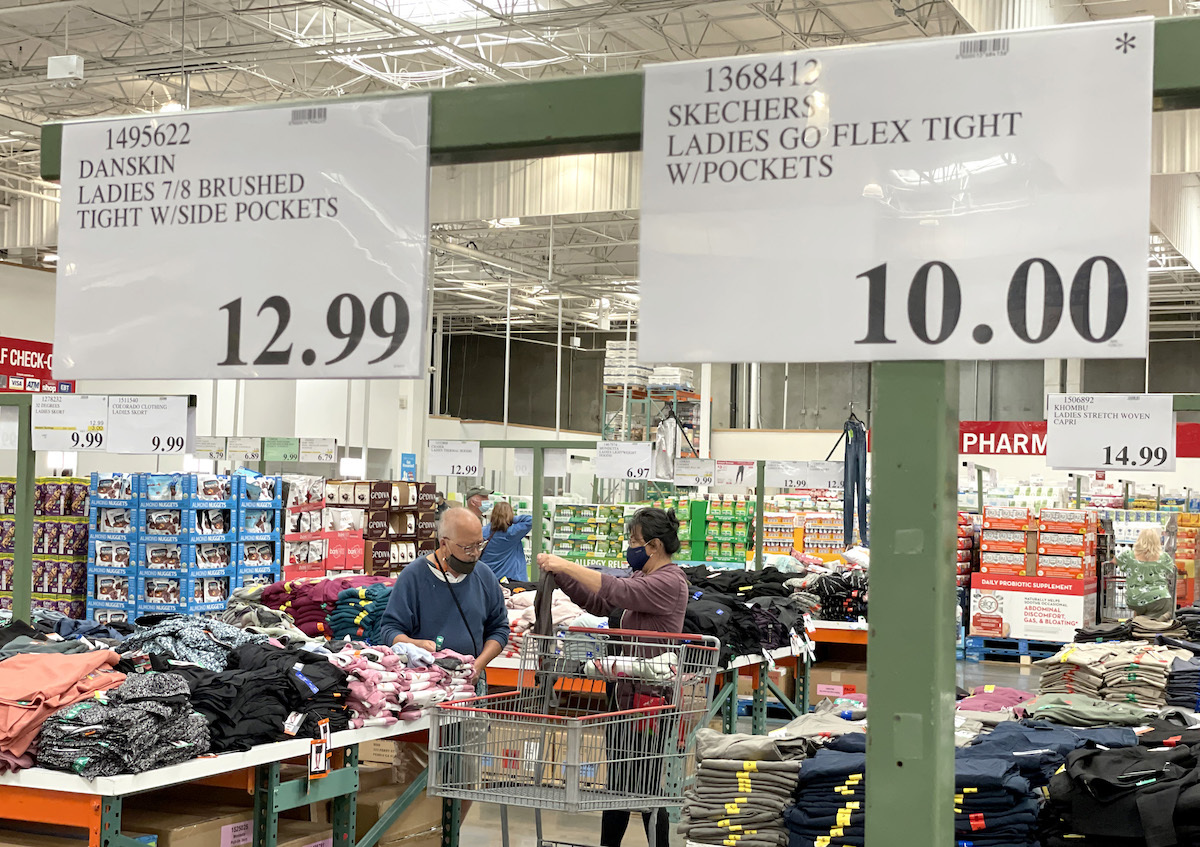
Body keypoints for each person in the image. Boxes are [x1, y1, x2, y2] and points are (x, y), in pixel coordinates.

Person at [537, 507, 689, 847]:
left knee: (645, 787)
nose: (629, 547)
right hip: (626, 695)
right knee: (621, 783)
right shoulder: (641, 577)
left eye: (634, 541)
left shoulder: (669, 581)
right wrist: (560, 578)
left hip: (651, 700)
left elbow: (617, 591)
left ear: (654, 545)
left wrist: (565, 564)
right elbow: (600, 600)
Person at [379, 507, 508, 677]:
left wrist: (479, 664)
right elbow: (390, 629)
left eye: (479, 545)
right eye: (467, 548)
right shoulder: (414, 577)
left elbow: (499, 628)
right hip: (425, 682)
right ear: (444, 544)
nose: (475, 554)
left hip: (470, 682)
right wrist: (415, 644)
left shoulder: (484, 576)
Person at [1117, 527, 1176, 621]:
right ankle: (1153, 631)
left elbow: (1116, 562)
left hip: (1135, 598)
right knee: (1155, 623)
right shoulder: (1164, 557)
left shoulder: (1129, 556)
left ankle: (1137, 628)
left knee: (1139, 621)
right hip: (1159, 598)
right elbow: (1171, 569)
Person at [479, 500, 533, 582]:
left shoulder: (483, 532)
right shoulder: (512, 532)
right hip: (511, 580)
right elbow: (530, 520)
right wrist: (512, 519)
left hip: (489, 579)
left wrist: (498, 520)